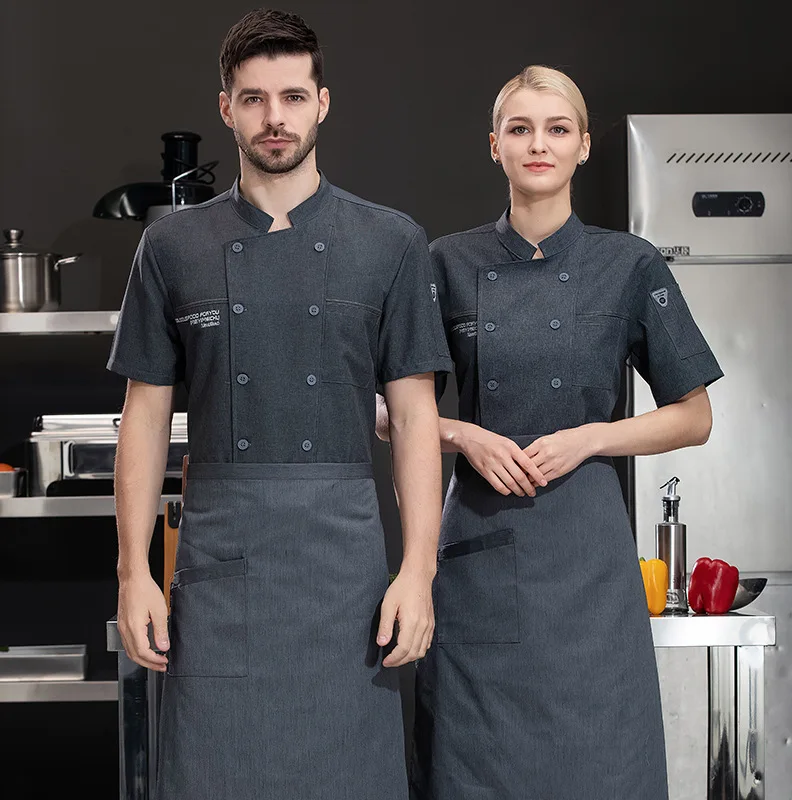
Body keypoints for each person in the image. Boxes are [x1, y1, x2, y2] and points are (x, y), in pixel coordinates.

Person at [108, 9, 452, 799]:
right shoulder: (171, 246)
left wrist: (419, 570)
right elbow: (145, 420)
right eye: (255, 98)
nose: (275, 118)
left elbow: (415, 418)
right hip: (220, 569)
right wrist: (134, 573)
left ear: (322, 104)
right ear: (226, 107)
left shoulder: (390, 241)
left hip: (345, 576)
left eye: (293, 96)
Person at [377, 65, 723, 798]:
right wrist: (465, 436)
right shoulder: (444, 262)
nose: (540, 143)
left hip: (591, 570)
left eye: (557, 128)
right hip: (475, 560)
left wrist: (590, 438)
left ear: (585, 146)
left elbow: (694, 416)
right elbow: (389, 415)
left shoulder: (628, 265)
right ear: (494, 145)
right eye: (521, 128)